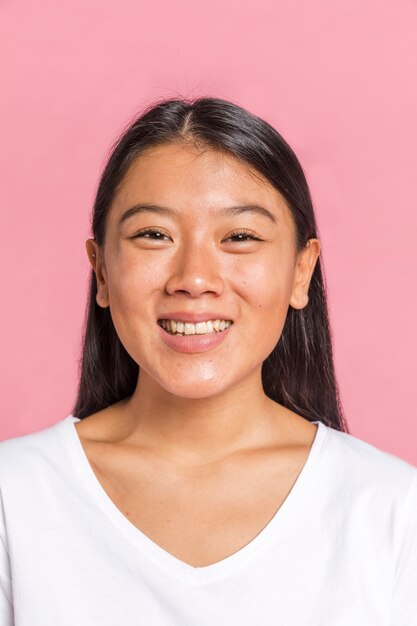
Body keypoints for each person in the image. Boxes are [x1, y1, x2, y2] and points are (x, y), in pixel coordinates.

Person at [0, 97, 416, 625]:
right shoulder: (13, 499)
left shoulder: (392, 510)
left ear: (300, 272)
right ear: (101, 271)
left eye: (239, 237)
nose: (194, 278)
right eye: (154, 235)